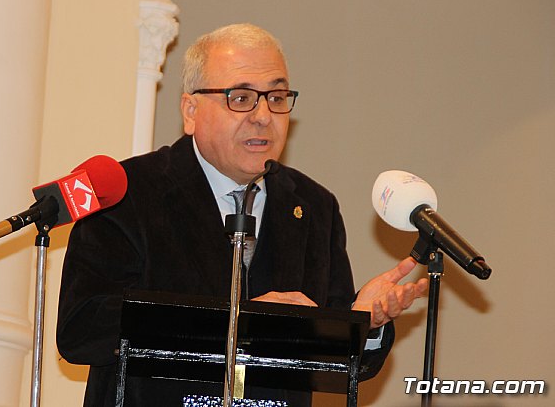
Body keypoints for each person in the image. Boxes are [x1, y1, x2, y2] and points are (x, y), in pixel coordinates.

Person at [56, 23, 428, 407]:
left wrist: (362, 323)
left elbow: (337, 365)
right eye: (241, 98)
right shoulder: (128, 192)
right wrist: (244, 323)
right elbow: (82, 329)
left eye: (277, 97)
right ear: (190, 111)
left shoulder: (314, 206)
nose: (263, 115)